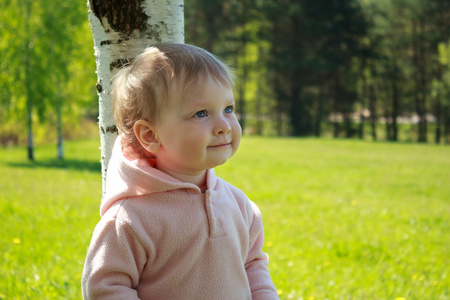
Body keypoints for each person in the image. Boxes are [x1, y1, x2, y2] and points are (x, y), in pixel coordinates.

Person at [81, 43, 279, 300]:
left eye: (228, 109)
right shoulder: (130, 220)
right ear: (151, 135)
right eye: (201, 113)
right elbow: (104, 287)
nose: (223, 126)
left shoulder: (240, 205)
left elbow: (253, 265)